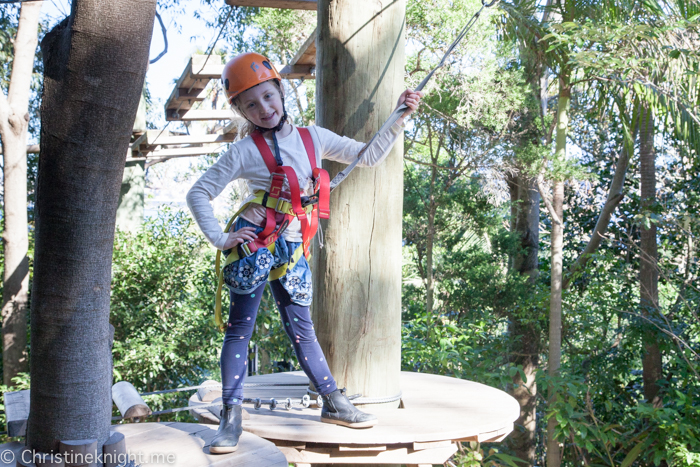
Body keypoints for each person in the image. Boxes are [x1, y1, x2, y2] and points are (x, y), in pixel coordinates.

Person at [186, 52, 422, 454]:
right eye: (251, 105)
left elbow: (369, 156)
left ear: (279, 89)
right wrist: (221, 238)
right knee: (240, 329)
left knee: (301, 328)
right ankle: (231, 416)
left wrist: (400, 116)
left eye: (267, 97)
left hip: (293, 247)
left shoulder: (314, 137)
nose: (263, 109)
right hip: (258, 246)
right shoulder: (243, 152)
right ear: (242, 111)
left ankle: (333, 401)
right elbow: (199, 192)